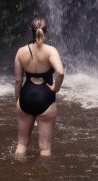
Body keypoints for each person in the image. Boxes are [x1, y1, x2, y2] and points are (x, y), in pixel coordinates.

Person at [14, 16, 64, 157]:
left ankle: (18, 167)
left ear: (30, 30)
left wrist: (18, 101)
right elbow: (60, 73)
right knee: (45, 148)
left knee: (22, 144)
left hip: (26, 97)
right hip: (46, 98)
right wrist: (56, 88)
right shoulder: (51, 51)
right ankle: (44, 170)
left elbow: (18, 80)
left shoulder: (21, 52)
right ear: (45, 31)